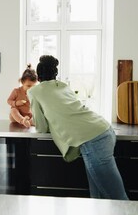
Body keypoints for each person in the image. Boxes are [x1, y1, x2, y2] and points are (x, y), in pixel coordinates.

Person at [27, 55, 128, 200]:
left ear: (38, 76)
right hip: (104, 129)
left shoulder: (34, 92)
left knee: (117, 198)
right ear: (55, 73)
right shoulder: (63, 86)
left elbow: (41, 127)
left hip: (93, 140)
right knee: (98, 196)